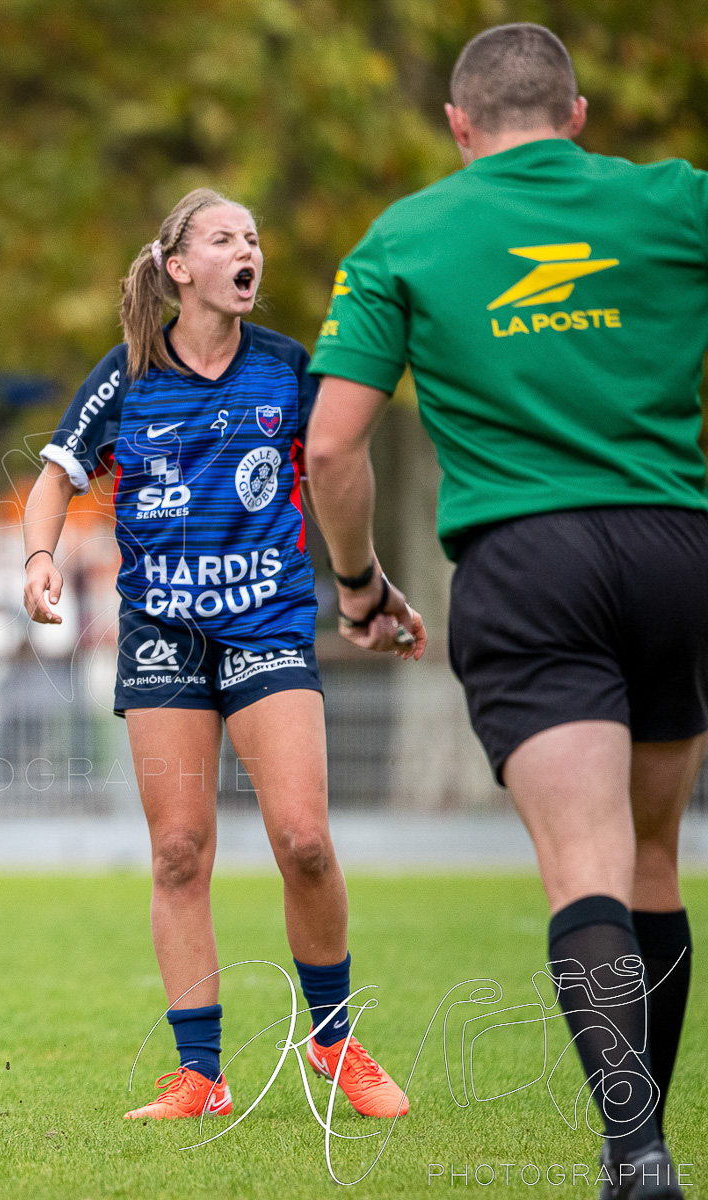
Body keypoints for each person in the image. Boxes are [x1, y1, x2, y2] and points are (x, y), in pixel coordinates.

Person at [307, 23, 708, 1199]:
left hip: (527, 563)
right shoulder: (678, 201)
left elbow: (332, 445)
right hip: (677, 550)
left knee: (580, 862)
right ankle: (640, 1141)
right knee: (651, 857)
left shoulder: (410, 236)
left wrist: (359, 585)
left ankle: (636, 1153)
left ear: (459, 128)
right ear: (579, 114)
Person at [21, 189, 415, 1123]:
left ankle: (333, 1042)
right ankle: (201, 1074)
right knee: (179, 852)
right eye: (225, 239)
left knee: (306, 843)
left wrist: (371, 585)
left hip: (270, 626)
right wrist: (38, 558)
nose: (249, 253)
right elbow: (51, 485)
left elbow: (339, 469)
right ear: (178, 268)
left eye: (254, 239)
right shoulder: (123, 376)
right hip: (161, 637)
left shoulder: (288, 369)